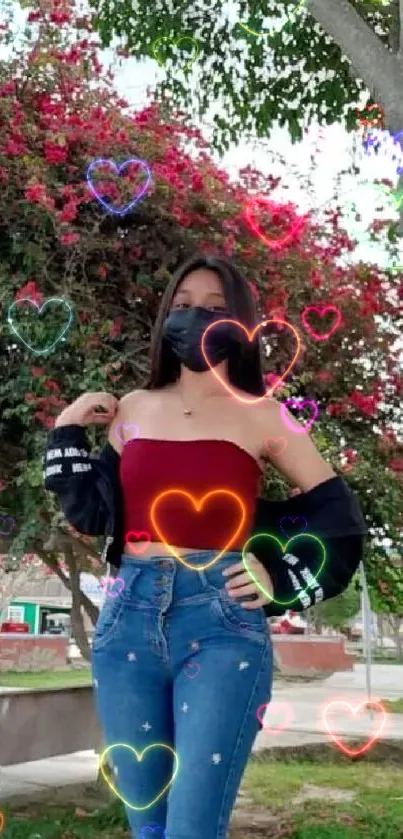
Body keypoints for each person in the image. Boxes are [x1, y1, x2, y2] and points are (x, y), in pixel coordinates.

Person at [43, 255, 367, 839]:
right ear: (167, 314)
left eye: (215, 310)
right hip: (128, 622)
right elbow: (93, 513)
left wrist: (280, 577)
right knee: (148, 826)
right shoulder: (133, 409)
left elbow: (337, 513)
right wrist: (68, 425)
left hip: (221, 623)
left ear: (240, 324)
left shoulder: (264, 415)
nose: (195, 318)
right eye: (184, 305)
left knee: (193, 828)